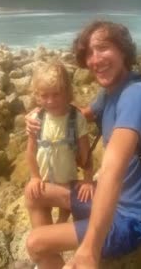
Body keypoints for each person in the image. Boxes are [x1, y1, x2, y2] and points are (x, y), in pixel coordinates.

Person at [24, 21, 141, 269]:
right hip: (109, 200)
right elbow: (79, 113)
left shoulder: (137, 96)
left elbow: (113, 168)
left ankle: (51, 252)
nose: (95, 59)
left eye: (103, 48)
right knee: (34, 195)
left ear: (123, 50)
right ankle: (54, 261)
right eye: (89, 53)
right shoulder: (111, 92)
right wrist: (40, 115)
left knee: (35, 242)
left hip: (131, 218)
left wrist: (89, 249)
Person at [26, 61, 94, 224]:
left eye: (56, 94)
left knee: (66, 206)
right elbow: (30, 151)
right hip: (44, 180)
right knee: (41, 203)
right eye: (44, 96)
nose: (50, 101)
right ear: (37, 95)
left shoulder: (76, 118)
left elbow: (86, 153)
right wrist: (34, 177)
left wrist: (88, 180)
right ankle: (47, 236)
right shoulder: (36, 119)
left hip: (67, 179)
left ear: (67, 92)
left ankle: (62, 222)